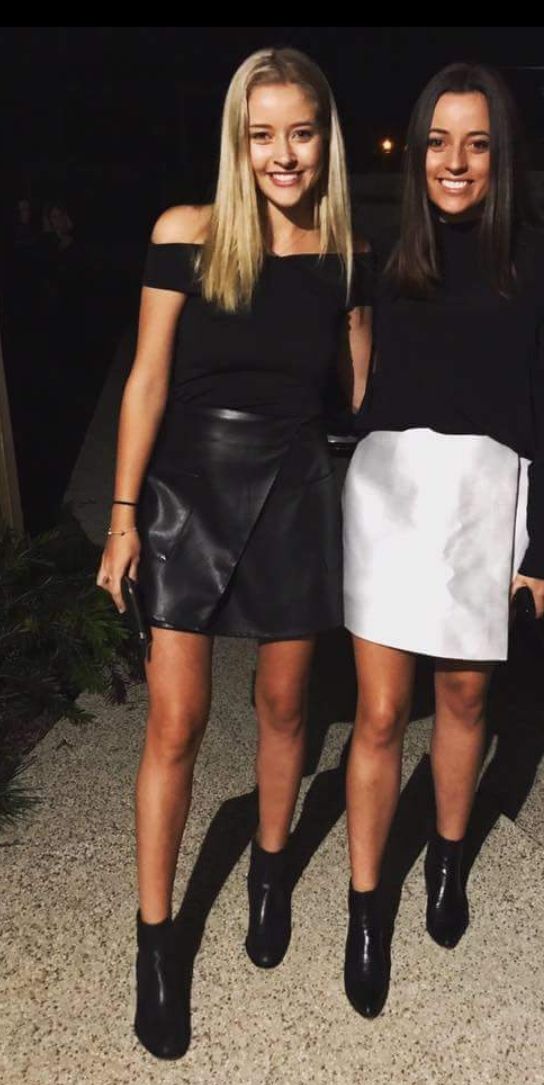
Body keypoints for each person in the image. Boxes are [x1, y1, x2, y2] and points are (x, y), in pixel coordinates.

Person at [96, 47, 372, 1058]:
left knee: (287, 706)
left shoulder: (347, 250)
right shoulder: (186, 233)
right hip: (189, 491)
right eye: (262, 135)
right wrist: (123, 516)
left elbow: (357, 397)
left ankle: (267, 871)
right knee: (175, 721)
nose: (283, 154)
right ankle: (156, 944)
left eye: (301, 132)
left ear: (325, 138)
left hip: (294, 490)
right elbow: (145, 381)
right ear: (237, 140)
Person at [341, 62, 544, 1017]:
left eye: (477, 143)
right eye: (439, 142)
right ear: (416, 154)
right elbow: (354, 384)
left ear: (502, 155)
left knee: (465, 694)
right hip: (388, 497)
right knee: (377, 712)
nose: (456, 161)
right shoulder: (386, 259)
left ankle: (447, 861)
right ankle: (367, 908)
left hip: (488, 499)